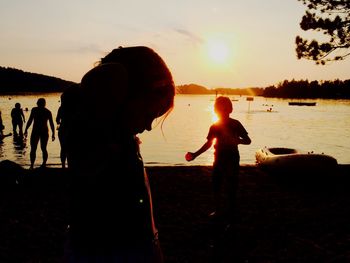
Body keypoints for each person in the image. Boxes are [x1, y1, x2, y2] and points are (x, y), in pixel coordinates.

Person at [64, 46, 175, 262]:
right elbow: (110, 74)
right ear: (124, 93)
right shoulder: (95, 138)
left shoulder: (123, 141)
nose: (149, 126)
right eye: (149, 114)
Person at [185, 96, 251, 225]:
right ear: (216, 110)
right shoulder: (214, 126)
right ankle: (218, 210)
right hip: (219, 158)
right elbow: (209, 144)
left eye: (225, 108)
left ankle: (231, 210)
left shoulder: (235, 124)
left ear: (230, 109)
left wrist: (237, 140)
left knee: (231, 185)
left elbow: (248, 141)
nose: (223, 111)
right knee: (216, 184)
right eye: (220, 108)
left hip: (232, 158)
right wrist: (195, 154)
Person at [24, 98, 55, 169]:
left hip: (38, 131)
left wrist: (26, 129)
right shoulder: (46, 111)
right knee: (41, 148)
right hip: (41, 131)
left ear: (38, 103)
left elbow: (51, 123)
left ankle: (34, 165)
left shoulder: (36, 110)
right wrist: (26, 129)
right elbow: (51, 124)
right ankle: (38, 164)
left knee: (36, 148)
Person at [56, 84, 80, 168]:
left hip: (63, 129)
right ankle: (71, 165)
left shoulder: (61, 108)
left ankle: (63, 166)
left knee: (63, 148)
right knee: (72, 149)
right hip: (73, 129)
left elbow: (57, 120)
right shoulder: (77, 108)